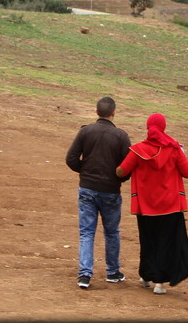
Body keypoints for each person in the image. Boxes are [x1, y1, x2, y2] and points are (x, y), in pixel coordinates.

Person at [116, 112, 188, 295]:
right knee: (165, 243)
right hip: (170, 206)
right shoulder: (174, 149)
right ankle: (159, 283)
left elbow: (121, 172)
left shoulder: (137, 150)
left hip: (146, 207)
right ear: (164, 127)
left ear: (148, 127)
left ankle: (146, 276)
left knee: (148, 241)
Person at [65, 96, 131, 289]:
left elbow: (71, 158)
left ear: (96, 112)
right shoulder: (121, 136)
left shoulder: (85, 132)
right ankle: (112, 271)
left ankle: (85, 274)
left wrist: (85, 172)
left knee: (86, 232)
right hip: (110, 191)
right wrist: (117, 179)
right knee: (111, 232)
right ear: (114, 113)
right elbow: (127, 167)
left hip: (87, 188)